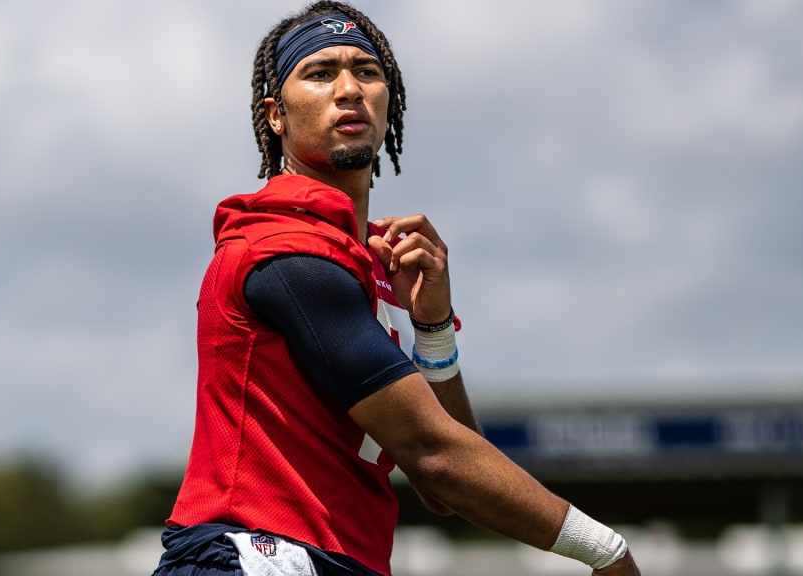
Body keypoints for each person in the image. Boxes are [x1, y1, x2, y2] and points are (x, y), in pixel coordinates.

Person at [153, 2, 641, 575]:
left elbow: (445, 484)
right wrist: (606, 551)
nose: (348, 88)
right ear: (275, 116)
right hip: (256, 555)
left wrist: (431, 330)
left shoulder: (370, 259)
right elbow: (436, 460)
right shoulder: (283, 245)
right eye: (319, 73)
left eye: (366, 70)